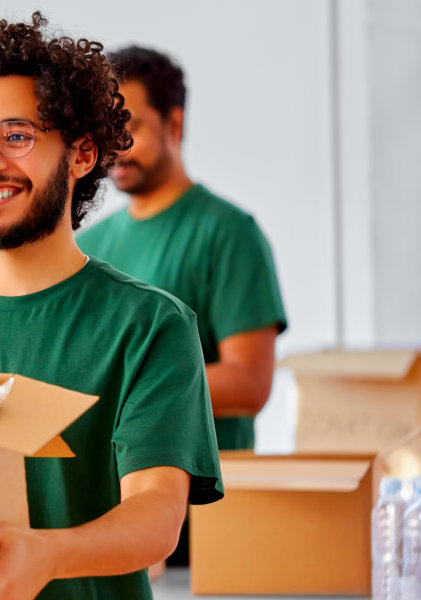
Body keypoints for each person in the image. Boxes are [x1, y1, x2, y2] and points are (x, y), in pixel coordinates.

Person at [0, 13, 222, 600]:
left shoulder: (148, 327)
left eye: (16, 136)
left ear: (83, 153)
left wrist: (47, 554)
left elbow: (156, 516)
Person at [77, 46, 287, 452]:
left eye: (130, 127)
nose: (115, 146)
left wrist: (121, 385)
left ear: (174, 124)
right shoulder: (85, 245)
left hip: (207, 498)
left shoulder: (229, 233)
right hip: (110, 494)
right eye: (105, 130)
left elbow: (249, 384)